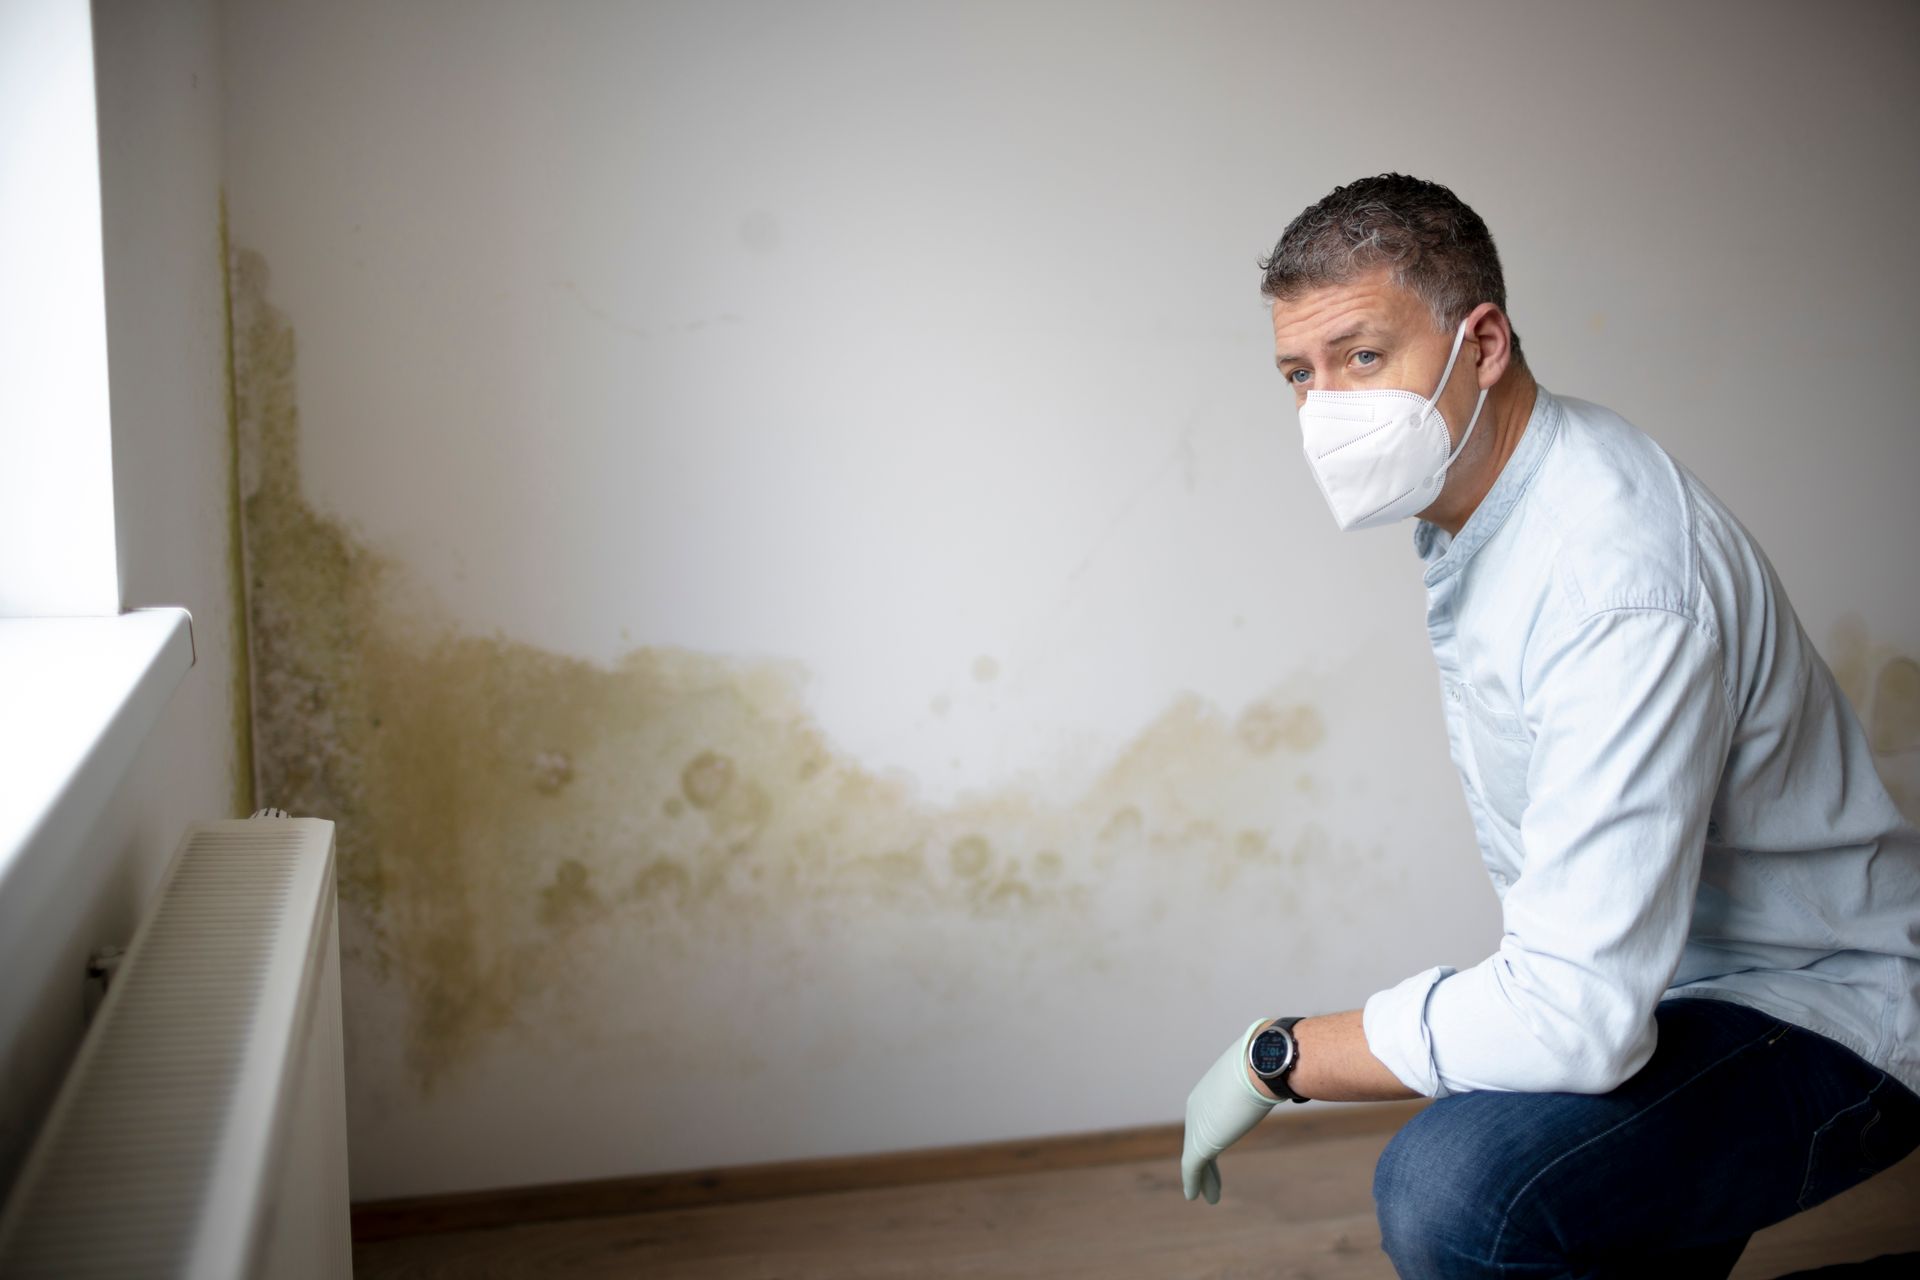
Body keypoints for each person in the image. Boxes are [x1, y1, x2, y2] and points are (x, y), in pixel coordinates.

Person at [1178, 173, 1920, 1277]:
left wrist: (1279, 1056)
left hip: (1818, 1004)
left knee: (1459, 1189)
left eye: (1364, 356)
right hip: (1666, 984)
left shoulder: (1612, 576)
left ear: (1483, 344)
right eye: (1300, 372)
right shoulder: (1502, 498)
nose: (1326, 408)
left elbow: (1576, 1012)